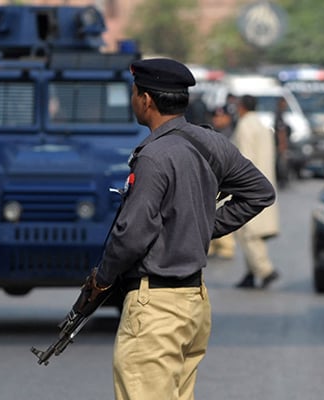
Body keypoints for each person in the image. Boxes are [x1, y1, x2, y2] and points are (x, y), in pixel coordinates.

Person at [85, 58, 276, 400]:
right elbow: (260, 191)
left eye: (134, 93)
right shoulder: (210, 143)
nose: (133, 99)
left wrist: (102, 278)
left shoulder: (154, 156)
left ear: (146, 100)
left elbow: (131, 234)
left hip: (155, 307)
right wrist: (202, 226)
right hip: (193, 304)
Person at [232, 95, 280, 289]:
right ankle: (251, 273)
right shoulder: (261, 124)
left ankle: (265, 270)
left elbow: (244, 158)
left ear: (241, 107)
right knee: (253, 232)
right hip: (264, 183)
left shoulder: (244, 126)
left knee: (248, 232)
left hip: (248, 186)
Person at [207, 105, 236, 259]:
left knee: (222, 209)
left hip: (226, 179)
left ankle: (226, 247)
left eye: (220, 116)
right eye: (215, 116)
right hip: (213, 178)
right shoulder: (212, 133)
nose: (217, 119)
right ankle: (212, 246)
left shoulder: (232, 134)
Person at [274, 97, 291, 188]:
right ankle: (282, 180)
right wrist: (282, 144)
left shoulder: (281, 113)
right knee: (281, 163)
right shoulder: (278, 114)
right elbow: (280, 131)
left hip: (280, 143)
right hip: (279, 143)